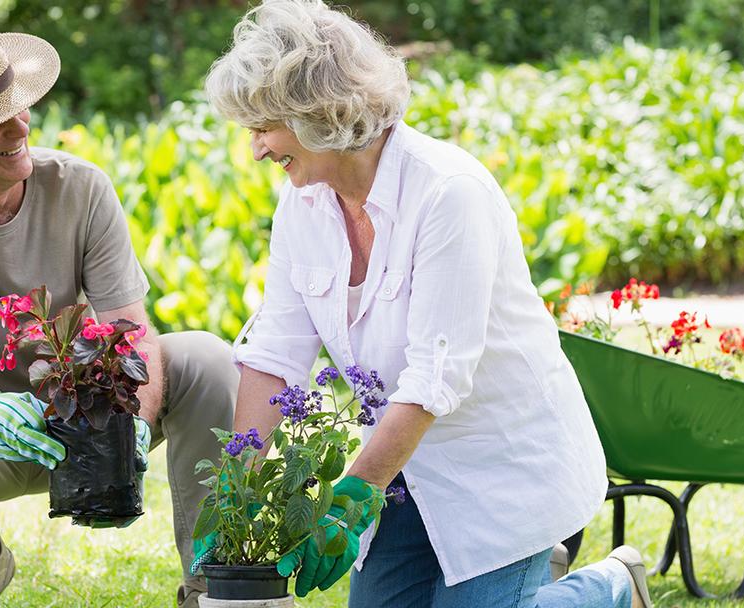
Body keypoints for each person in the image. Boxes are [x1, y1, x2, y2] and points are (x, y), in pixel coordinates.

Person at [197, 1, 654, 607]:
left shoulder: (448, 193)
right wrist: (240, 485)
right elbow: (275, 352)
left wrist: (346, 509)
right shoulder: (302, 205)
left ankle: (611, 587)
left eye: (264, 126)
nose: (256, 149)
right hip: (402, 476)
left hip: (501, 471)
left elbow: (433, 380)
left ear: (320, 113)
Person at [0, 20, 235, 608]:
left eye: (17, 105)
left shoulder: (81, 189)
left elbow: (130, 332)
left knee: (209, 360)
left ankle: (216, 587)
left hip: (97, 414)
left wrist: (131, 423)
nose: (20, 125)